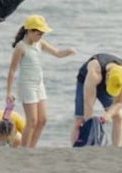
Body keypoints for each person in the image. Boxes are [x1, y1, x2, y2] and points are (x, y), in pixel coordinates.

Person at [4, 14, 76, 148]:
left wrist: (69, 51)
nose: (41, 35)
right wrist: (9, 92)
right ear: (30, 31)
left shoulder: (40, 43)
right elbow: (12, 71)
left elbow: (57, 53)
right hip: (27, 86)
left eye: (43, 33)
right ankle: (25, 151)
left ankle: (32, 148)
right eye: (39, 33)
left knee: (42, 120)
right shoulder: (21, 47)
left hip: (39, 84)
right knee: (32, 121)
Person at [72, 53, 122, 147]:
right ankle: (77, 148)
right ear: (107, 76)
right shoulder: (94, 71)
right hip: (85, 82)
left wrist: (107, 116)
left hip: (105, 81)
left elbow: (119, 103)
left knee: (119, 115)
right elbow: (88, 103)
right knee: (80, 120)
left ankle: (117, 147)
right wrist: (89, 128)